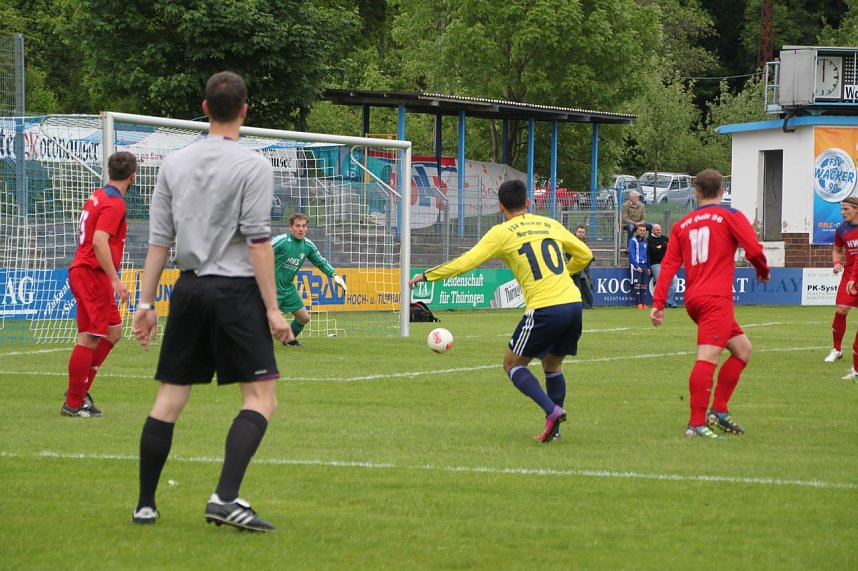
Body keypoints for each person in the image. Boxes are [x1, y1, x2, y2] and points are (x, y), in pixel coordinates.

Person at [130, 71, 291, 531]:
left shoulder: (173, 164)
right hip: (234, 291)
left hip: (188, 289)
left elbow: (159, 241)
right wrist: (273, 309)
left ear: (204, 108)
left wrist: (145, 304)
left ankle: (145, 504)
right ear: (245, 110)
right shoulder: (254, 166)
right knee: (261, 397)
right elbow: (259, 241)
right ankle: (224, 496)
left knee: (169, 398)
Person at [408, 179, 593, 442]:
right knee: (552, 365)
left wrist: (426, 276)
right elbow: (585, 254)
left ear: (500, 207)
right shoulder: (549, 223)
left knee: (512, 365)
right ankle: (555, 431)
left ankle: (552, 411)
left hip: (545, 307)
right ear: (528, 203)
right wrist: (564, 273)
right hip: (573, 304)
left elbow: (465, 262)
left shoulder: (502, 232)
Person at [650, 169, 770, 439]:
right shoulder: (731, 216)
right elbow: (753, 249)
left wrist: (658, 302)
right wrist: (762, 270)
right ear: (722, 191)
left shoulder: (682, 225)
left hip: (694, 299)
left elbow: (669, 264)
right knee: (707, 358)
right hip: (716, 299)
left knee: (743, 350)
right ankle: (696, 422)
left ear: (696, 192)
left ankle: (719, 411)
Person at [63, 151, 137, 417]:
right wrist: (116, 281)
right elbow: (99, 240)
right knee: (91, 336)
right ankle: (74, 402)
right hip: (92, 274)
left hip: (92, 274)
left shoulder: (98, 195)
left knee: (113, 332)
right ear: (133, 176)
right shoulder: (115, 204)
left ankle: (79, 390)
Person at [273, 212, 347, 346]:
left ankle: (289, 341)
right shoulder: (282, 241)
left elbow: (321, 262)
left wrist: (334, 275)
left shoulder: (308, 245)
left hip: (288, 289)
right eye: (297, 226)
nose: (301, 229)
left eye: (303, 226)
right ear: (290, 227)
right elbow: (261, 251)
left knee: (304, 318)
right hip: (271, 289)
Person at [833, 197, 858, 379]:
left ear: (856, 210)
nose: (842, 212)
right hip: (850, 273)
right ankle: (837, 349)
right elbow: (837, 249)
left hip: (855, 273)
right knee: (841, 309)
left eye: (846, 209)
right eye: (841, 209)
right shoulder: (841, 229)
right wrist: (836, 263)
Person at [648, 223, 678, 308]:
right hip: (656, 264)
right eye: (657, 230)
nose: (659, 231)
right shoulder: (649, 239)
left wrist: (661, 247)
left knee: (675, 280)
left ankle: (668, 301)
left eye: (660, 229)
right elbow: (653, 251)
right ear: (653, 230)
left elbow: (670, 249)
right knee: (662, 281)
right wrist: (664, 247)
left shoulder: (665, 238)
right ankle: (664, 302)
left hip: (666, 263)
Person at [571, 225, 593, 309]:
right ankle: (578, 305)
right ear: (576, 232)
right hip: (574, 269)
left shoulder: (585, 242)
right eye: (579, 232)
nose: (581, 234)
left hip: (584, 269)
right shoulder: (572, 241)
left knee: (585, 287)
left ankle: (587, 304)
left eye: (583, 232)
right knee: (577, 288)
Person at [628, 224, 650, 309]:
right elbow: (631, 255)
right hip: (636, 266)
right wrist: (636, 266)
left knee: (644, 285)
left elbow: (647, 255)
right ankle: (638, 304)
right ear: (637, 231)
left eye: (644, 231)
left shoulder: (645, 241)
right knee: (637, 284)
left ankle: (643, 303)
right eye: (640, 230)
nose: (642, 232)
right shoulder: (633, 241)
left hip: (644, 265)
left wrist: (648, 267)